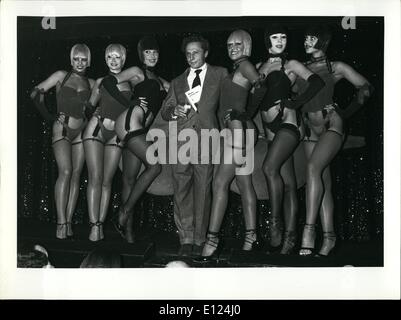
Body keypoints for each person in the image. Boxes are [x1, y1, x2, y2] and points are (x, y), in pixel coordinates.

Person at [299, 25, 373, 257]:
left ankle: (308, 232)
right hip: (310, 129)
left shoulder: (335, 66)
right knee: (322, 181)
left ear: (322, 41)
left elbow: (366, 87)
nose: (306, 41)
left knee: (312, 169)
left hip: (332, 124)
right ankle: (329, 238)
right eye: (305, 38)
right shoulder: (301, 68)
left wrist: (346, 112)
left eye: (311, 37)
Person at [257, 25, 325, 254]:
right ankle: (290, 237)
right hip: (269, 128)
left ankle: (274, 223)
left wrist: (295, 103)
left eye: (283, 37)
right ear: (267, 40)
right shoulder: (259, 67)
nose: (279, 41)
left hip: (288, 122)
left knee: (268, 168)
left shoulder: (291, 64)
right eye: (274, 36)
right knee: (288, 184)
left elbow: (317, 82)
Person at [197, 30, 263, 261]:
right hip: (238, 131)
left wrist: (245, 114)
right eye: (229, 44)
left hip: (239, 130)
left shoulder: (245, 66)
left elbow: (261, 87)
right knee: (244, 184)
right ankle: (251, 239)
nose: (233, 47)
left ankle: (212, 241)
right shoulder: (237, 68)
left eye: (238, 44)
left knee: (219, 183)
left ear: (246, 45)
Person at [160, 34, 228, 257]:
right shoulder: (178, 81)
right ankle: (185, 238)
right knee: (181, 189)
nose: (191, 57)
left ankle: (200, 239)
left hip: (208, 138)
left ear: (205, 53)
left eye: (195, 53)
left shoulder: (220, 74)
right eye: (188, 54)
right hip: (181, 139)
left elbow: (228, 104)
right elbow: (165, 109)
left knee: (203, 190)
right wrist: (173, 111)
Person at [100, 36, 167, 243]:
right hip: (130, 121)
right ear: (141, 55)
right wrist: (129, 101)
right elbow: (108, 82)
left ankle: (128, 235)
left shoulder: (162, 82)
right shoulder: (137, 72)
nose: (152, 56)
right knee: (155, 167)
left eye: (155, 52)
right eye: (148, 52)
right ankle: (123, 213)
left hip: (139, 129)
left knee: (129, 180)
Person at [30, 44, 95, 239]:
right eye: (76, 59)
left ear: (89, 61)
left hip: (81, 131)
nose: (80, 63)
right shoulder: (61, 75)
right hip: (63, 129)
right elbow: (35, 93)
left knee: (76, 175)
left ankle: (68, 222)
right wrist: (50, 117)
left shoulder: (92, 83)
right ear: (71, 59)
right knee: (65, 171)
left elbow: (95, 107)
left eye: (84, 59)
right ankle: (60, 223)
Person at [82, 44, 133, 241]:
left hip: (116, 134)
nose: (113, 60)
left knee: (107, 181)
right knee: (95, 177)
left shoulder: (131, 81)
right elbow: (89, 105)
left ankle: (100, 225)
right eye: (110, 57)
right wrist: (91, 112)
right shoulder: (101, 81)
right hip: (96, 129)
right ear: (105, 59)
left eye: (117, 57)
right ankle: (94, 226)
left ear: (123, 59)